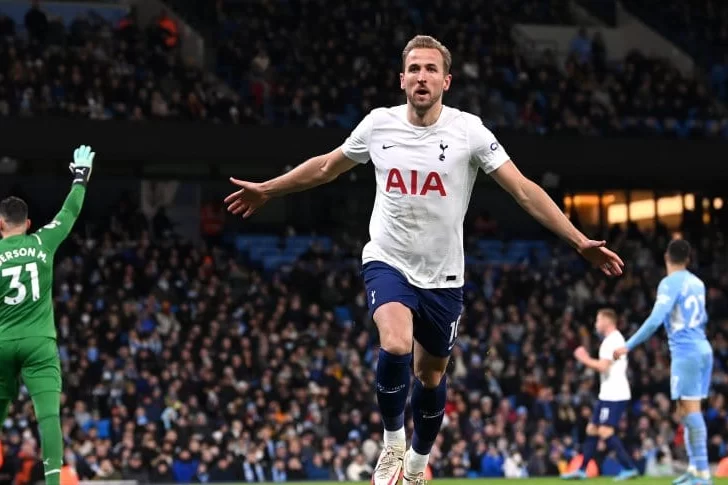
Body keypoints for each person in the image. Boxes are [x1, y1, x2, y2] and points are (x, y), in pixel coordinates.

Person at [224, 35, 624, 485]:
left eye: (430, 69)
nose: (421, 76)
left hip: (444, 277)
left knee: (430, 378)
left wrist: (577, 240)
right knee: (395, 342)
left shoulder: (468, 131)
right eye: (414, 68)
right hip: (388, 259)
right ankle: (393, 444)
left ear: (446, 81)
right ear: (401, 79)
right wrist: (269, 189)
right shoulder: (378, 125)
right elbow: (324, 167)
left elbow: (523, 189)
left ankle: (416, 465)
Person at [0, 145, 95, 485]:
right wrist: (80, 178)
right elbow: (69, 213)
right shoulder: (41, 242)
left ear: (0, 224)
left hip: (2, 342)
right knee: (49, 417)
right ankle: (54, 482)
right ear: (27, 223)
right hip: (39, 343)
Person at [614, 239, 712, 485]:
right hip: (702, 347)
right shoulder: (698, 283)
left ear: (667, 257)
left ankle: (702, 472)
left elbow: (656, 319)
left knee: (691, 411)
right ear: (688, 259)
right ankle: (694, 468)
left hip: (686, 350)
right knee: (684, 410)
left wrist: (628, 344)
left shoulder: (670, 283)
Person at [562, 308, 638, 481]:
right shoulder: (614, 339)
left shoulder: (611, 341)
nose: (596, 324)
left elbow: (603, 366)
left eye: (598, 320)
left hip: (615, 393)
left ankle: (629, 467)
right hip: (608, 393)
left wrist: (583, 358)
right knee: (592, 429)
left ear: (606, 321)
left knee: (604, 430)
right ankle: (581, 469)